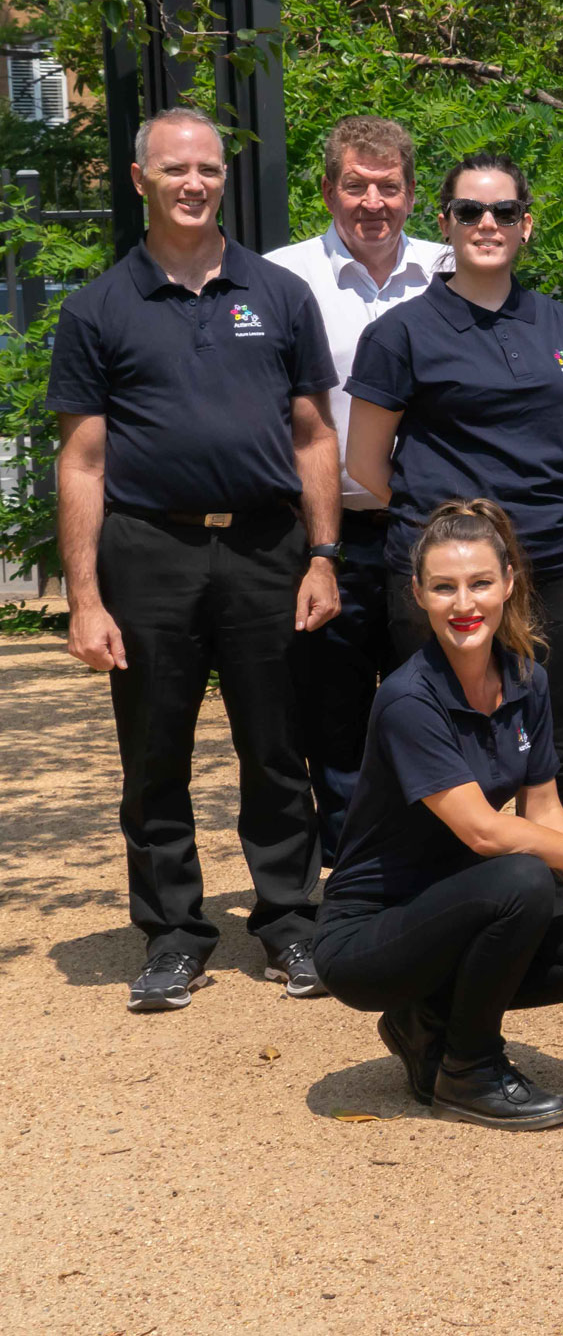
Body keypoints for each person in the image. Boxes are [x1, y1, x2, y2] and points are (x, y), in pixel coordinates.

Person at [49, 105, 343, 1011]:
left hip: (265, 545)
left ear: (224, 179)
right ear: (139, 179)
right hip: (150, 549)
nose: (193, 183)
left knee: (275, 745)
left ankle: (290, 921)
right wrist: (87, 597)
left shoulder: (279, 293)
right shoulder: (99, 308)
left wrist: (323, 555)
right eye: (174, 169)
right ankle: (173, 933)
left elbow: (312, 438)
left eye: (208, 169)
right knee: (153, 751)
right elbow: (83, 459)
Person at [314, 500, 563, 1128]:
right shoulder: (409, 698)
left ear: (509, 583)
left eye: (480, 583)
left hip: (456, 906)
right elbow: (483, 830)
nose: (465, 604)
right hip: (367, 937)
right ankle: (470, 1070)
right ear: (419, 594)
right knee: (519, 877)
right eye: (444, 587)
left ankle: (426, 1022)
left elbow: (542, 807)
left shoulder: (526, 678)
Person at [347, 155, 563, 816]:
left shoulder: (559, 323)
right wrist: (452, 535)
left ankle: (557, 905)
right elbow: (369, 465)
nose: (487, 224)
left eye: (504, 212)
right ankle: (468, 911)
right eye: (469, 211)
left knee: (554, 745)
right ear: (445, 223)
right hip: (453, 578)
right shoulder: (401, 332)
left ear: (527, 225)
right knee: (457, 748)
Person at [266, 114, 450, 862]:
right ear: (327, 190)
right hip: (323, 535)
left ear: (411, 194)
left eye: (389, 186)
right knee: (332, 717)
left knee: (430, 706)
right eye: (356, 185)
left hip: (431, 535)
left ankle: (427, 863)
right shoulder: (280, 277)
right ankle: (350, 873)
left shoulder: (450, 268)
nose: (372, 201)